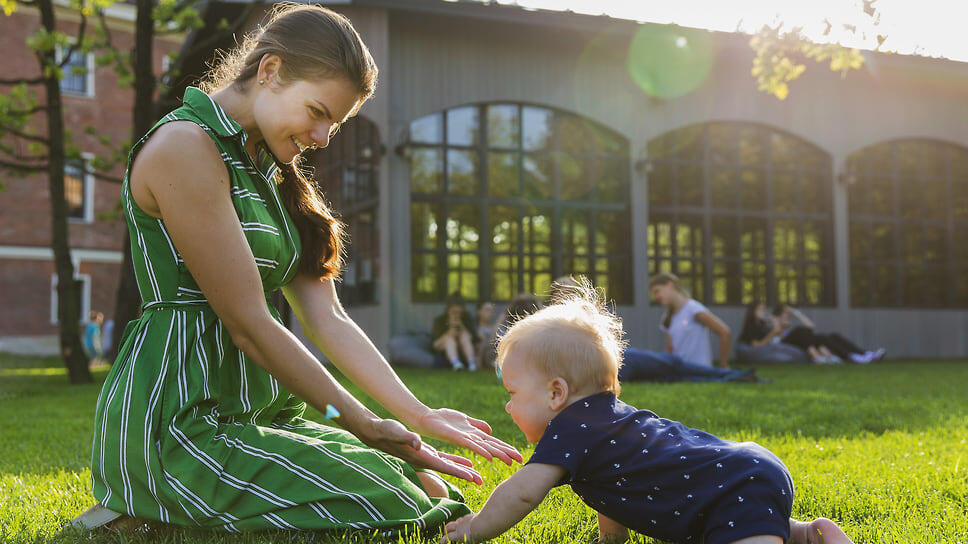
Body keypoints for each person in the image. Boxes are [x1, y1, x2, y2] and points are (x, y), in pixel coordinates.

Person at [78, 5, 521, 534]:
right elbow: (249, 324)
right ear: (269, 71)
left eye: (336, 122)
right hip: (179, 422)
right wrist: (360, 422)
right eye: (318, 111)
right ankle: (138, 504)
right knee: (394, 506)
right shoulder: (184, 146)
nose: (324, 136)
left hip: (261, 416)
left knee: (425, 481)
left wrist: (416, 415)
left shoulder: (268, 167)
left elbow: (327, 317)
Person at [439, 282, 856, 544]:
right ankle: (808, 534)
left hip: (731, 485)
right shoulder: (603, 420)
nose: (507, 405)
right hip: (741, 471)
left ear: (556, 393)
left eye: (512, 392)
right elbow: (612, 487)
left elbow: (523, 492)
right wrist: (612, 538)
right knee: (756, 525)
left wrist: (475, 527)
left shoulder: (568, 429)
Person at [550, 276, 759, 383]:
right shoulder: (567, 320)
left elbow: (724, 331)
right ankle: (731, 375)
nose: (657, 297)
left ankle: (731, 376)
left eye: (658, 291)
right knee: (671, 366)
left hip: (611, 367)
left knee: (668, 375)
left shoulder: (553, 327)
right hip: (618, 362)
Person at [650, 273, 733, 369]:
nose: (655, 297)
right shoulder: (666, 317)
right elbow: (670, 350)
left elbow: (724, 332)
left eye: (657, 291)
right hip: (681, 371)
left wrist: (723, 365)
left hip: (700, 370)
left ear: (670, 285)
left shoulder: (693, 309)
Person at [773, 304, 885, 364]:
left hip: (803, 342)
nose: (788, 317)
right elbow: (776, 338)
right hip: (788, 344)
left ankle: (864, 354)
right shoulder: (774, 326)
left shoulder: (793, 330)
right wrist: (777, 321)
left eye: (789, 315)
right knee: (801, 331)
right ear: (778, 316)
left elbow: (811, 326)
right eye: (785, 315)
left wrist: (795, 312)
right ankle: (851, 356)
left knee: (832, 336)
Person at [735, 302, 811, 364]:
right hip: (750, 350)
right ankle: (812, 357)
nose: (763, 312)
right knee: (780, 351)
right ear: (753, 311)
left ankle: (811, 357)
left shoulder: (763, 325)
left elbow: (779, 336)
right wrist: (773, 332)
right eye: (760, 309)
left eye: (764, 309)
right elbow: (757, 345)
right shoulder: (751, 326)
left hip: (772, 346)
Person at [432, 297, 479, 371]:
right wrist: (450, 332)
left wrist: (461, 326)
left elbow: (474, 339)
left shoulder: (466, 318)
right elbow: (435, 345)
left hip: (463, 349)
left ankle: (471, 364)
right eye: (454, 312)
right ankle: (456, 364)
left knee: (464, 336)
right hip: (444, 349)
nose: (456, 315)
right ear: (448, 310)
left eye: (459, 312)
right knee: (449, 339)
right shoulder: (440, 321)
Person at [474, 301, 497, 370]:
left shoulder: (495, 327)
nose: (490, 313)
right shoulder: (476, 328)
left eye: (491, 310)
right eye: (487, 310)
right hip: (485, 354)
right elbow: (488, 342)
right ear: (479, 311)